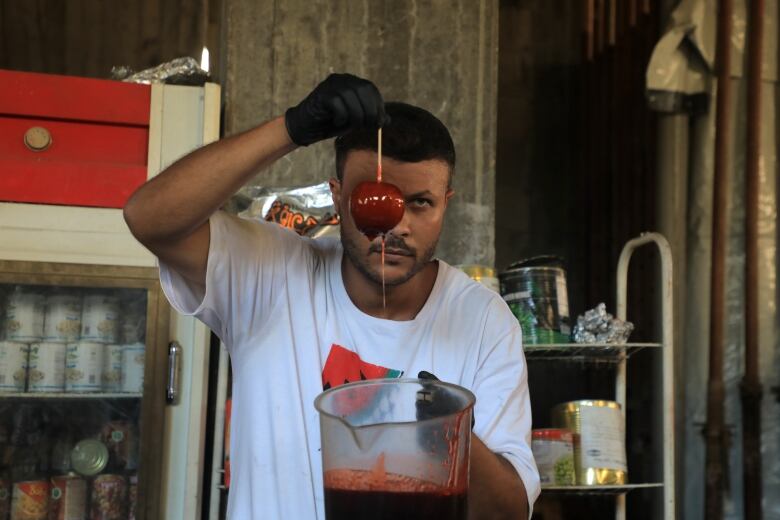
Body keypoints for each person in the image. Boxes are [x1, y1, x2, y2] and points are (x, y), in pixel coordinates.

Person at [124, 73, 540, 519]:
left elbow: (507, 512)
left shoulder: (483, 321)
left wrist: (450, 427)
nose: (395, 225)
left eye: (420, 203)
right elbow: (149, 218)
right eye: (373, 198)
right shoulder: (271, 275)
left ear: (446, 203)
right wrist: (291, 128)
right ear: (337, 197)